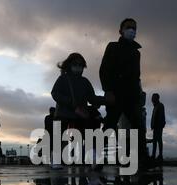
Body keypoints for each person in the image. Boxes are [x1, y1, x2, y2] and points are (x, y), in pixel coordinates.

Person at [99, 18, 148, 169]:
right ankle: (95, 156)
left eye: (134, 28)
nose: (132, 30)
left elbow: (136, 76)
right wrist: (108, 91)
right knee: (109, 125)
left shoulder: (136, 53)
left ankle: (143, 160)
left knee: (138, 127)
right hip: (115, 94)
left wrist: (139, 95)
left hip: (132, 97)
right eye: (129, 27)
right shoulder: (112, 47)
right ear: (121, 30)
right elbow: (104, 70)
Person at [51, 53, 105, 169]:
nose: (78, 67)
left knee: (88, 132)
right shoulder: (63, 79)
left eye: (81, 64)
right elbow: (54, 93)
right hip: (63, 113)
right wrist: (70, 102)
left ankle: (92, 157)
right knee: (59, 135)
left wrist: (105, 100)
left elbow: (92, 98)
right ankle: (56, 159)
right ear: (69, 65)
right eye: (75, 64)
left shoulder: (85, 81)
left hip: (79, 114)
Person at [151, 93, 166, 162]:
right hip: (156, 126)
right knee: (155, 141)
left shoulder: (160, 105)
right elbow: (153, 117)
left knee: (159, 140)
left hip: (158, 126)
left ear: (156, 98)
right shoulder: (155, 106)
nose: (152, 99)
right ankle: (153, 155)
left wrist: (160, 125)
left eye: (153, 98)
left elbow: (161, 116)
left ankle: (160, 155)